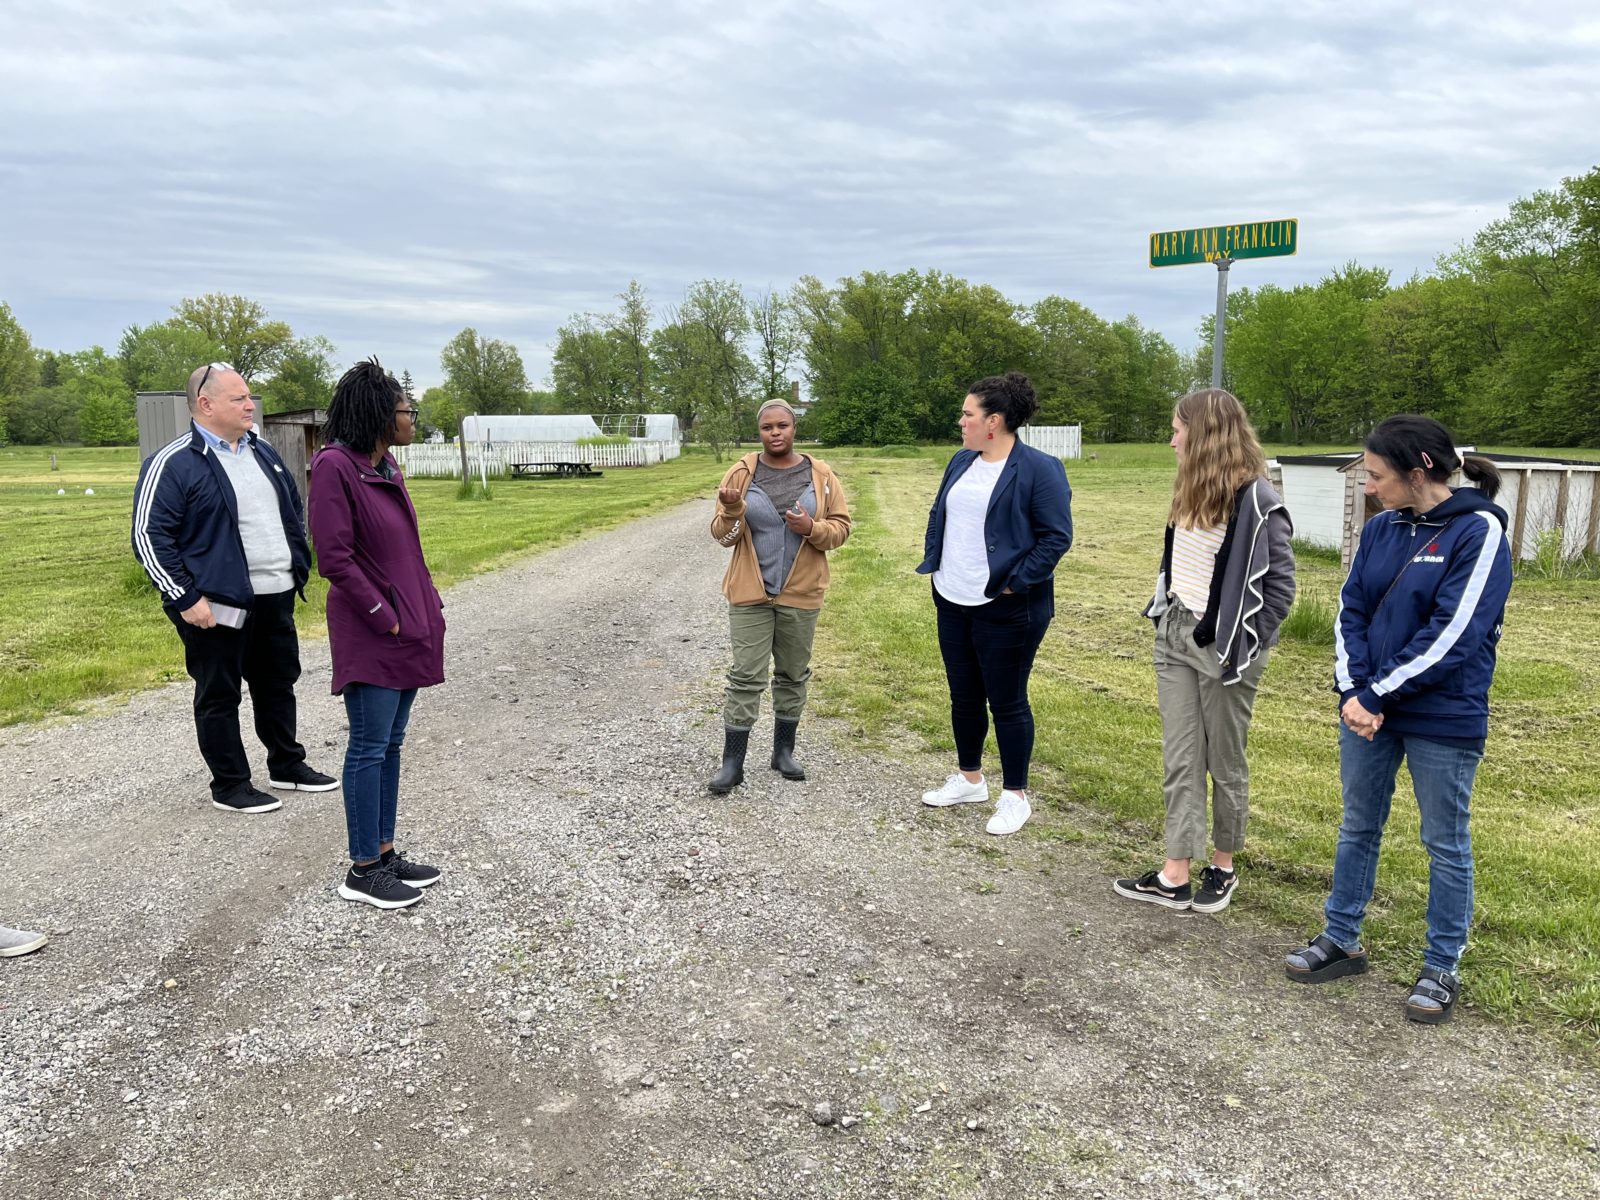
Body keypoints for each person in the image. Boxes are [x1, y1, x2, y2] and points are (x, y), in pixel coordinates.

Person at [1286, 415, 1511, 1025]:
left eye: (1377, 475)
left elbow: (1457, 633)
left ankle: (1441, 965)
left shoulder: (1479, 532)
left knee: (1445, 841)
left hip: (1442, 712)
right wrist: (1353, 689)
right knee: (1359, 824)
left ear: (1418, 474)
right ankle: (1341, 938)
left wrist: (1378, 694)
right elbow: (1349, 608)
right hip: (1368, 710)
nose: (1367, 486)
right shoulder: (1382, 528)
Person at [1113, 389, 1295, 913]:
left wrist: (1245, 643)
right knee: (1181, 757)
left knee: (1224, 759)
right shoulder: (1187, 488)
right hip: (1173, 633)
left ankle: (1223, 866)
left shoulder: (1258, 499)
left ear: (1206, 433)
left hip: (1223, 648)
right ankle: (1175, 873)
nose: (1171, 439)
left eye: (1177, 430)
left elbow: (1279, 589)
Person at [131, 362, 338, 813]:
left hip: (274, 593)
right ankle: (230, 785)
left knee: (277, 683)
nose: (250, 405)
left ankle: (287, 765)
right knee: (219, 692)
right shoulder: (173, 463)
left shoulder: (262, 451)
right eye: (238, 398)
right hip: (215, 604)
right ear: (205, 404)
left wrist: (296, 565)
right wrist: (185, 597)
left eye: (249, 397)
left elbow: (290, 510)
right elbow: (149, 535)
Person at [308, 360, 446, 910]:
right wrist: (383, 614)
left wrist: (425, 605)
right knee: (368, 746)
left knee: (391, 743)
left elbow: (403, 549)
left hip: (408, 625)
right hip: (372, 631)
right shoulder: (334, 467)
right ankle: (362, 867)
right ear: (379, 415)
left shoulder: (385, 467)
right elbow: (334, 558)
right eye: (407, 411)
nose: (413, 419)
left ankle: (384, 852)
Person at [916, 372, 1073, 835]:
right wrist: (937, 563)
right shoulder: (961, 461)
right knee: (963, 694)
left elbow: (1056, 538)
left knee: (1006, 701)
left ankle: (1014, 796)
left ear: (995, 421)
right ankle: (969, 779)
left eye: (968, 414)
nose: (960, 421)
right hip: (952, 597)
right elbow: (937, 513)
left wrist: (1012, 584)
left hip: (1008, 608)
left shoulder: (1040, 469)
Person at [707, 398, 852, 793]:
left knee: (792, 674)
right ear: (760, 432)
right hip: (750, 594)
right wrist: (733, 510)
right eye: (767, 427)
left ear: (794, 428)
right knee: (745, 676)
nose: (775, 433)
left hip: (801, 593)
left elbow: (841, 528)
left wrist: (811, 527)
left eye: (782, 426)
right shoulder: (741, 473)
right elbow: (723, 537)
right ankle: (732, 763)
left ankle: (783, 752)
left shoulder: (821, 475)